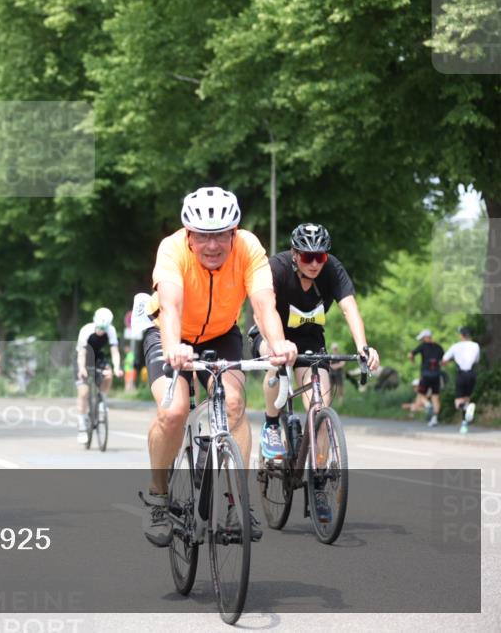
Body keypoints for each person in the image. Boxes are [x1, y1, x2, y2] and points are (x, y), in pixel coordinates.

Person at [139, 186, 297, 546]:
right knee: (174, 411)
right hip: (168, 330)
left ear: (234, 233)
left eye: (221, 236)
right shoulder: (171, 249)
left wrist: (277, 344)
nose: (213, 245)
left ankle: (235, 502)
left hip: (221, 333)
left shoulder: (249, 248)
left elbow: (263, 305)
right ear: (190, 237)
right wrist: (175, 348)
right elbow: (172, 307)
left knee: (234, 404)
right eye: (204, 237)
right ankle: (158, 497)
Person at [252, 223, 379, 474]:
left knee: (320, 406)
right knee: (275, 359)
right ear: (295, 253)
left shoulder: (331, 268)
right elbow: (261, 310)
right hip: (271, 332)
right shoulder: (277, 267)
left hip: (309, 340)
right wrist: (276, 344)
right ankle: (272, 425)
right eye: (308, 257)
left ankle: (319, 475)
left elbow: (349, 307)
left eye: (319, 257)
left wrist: (363, 347)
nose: (314, 264)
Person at [75, 308, 123, 443]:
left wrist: (117, 367)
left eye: (104, 328)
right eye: (99, 327)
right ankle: (82, 427)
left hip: (97, 357)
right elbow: (81, 353)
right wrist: (82, 368)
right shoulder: (86, 330)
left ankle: (102, 400)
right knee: (83, 392)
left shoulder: (111, 331)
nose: (101, 330)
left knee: (108, 374)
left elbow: (114, 351)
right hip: (83, 357)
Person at [443, 327, 480, 433]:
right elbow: (476, 360)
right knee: (466, 397)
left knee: (458, 402)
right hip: (472, 373)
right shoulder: (475, 345)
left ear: (461, 335)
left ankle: (466, 407)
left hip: (461, 374)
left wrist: (451, 360)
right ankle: (464, 424)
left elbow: (444, 360)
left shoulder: (456, 346)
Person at [409, 329, 445, 427]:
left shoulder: (423, 346)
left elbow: (411, 354)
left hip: (425, 374)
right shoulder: (439, 347)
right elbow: (444, 360)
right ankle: (435, 418)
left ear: (425, 337)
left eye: (422, 338)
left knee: (420, 394)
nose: (421, 341)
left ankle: (428, 406)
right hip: (436, 374)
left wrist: (412, 361)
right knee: (435, 397)